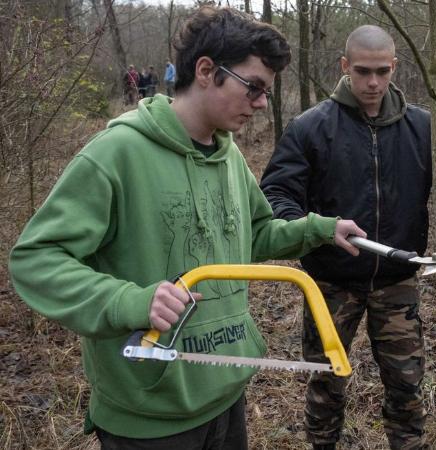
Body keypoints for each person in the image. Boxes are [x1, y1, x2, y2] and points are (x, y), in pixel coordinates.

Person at [9, 6, 365, 449]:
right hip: (149, 415)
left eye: (267, 93)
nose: (260, 103)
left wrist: (319, 230)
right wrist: (130, 302)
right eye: (253, 87)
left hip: (224, 393)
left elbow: (251, 236)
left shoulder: (229, 157)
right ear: (205, 70)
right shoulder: (116, 154)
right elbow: (36, 260)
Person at [260, 25, 436, 450]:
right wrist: (312, 230)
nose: (373, 82)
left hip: (397, 279)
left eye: (382, 71)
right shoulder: (311, 128)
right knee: (325, 383)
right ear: (345, 67)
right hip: (331, 281)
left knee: (406, 386)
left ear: (395, 67)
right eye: (362, 71)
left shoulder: (422, 128)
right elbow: (277, 195)